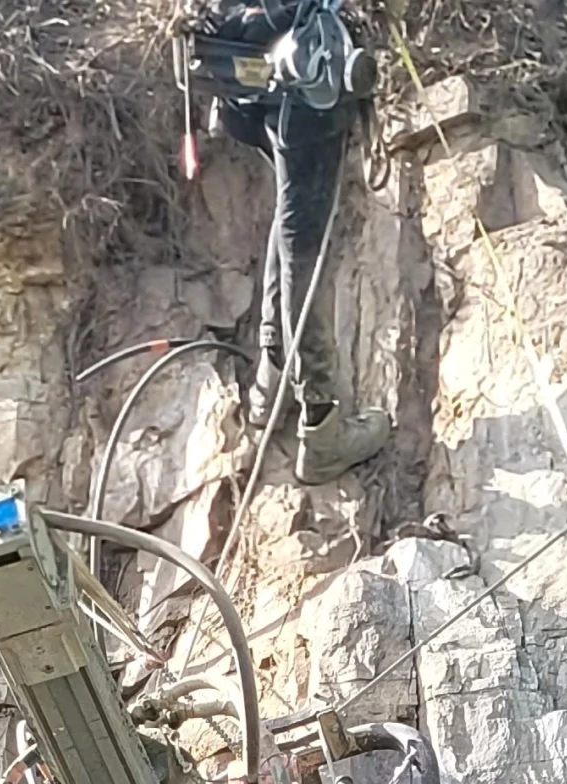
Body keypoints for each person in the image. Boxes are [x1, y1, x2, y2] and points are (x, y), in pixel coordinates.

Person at [183, 0, 392, 483]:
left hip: (243, 82)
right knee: (306, 252)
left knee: (291, 214)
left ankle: (270, 380)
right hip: (303, 91)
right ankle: (321, 427)